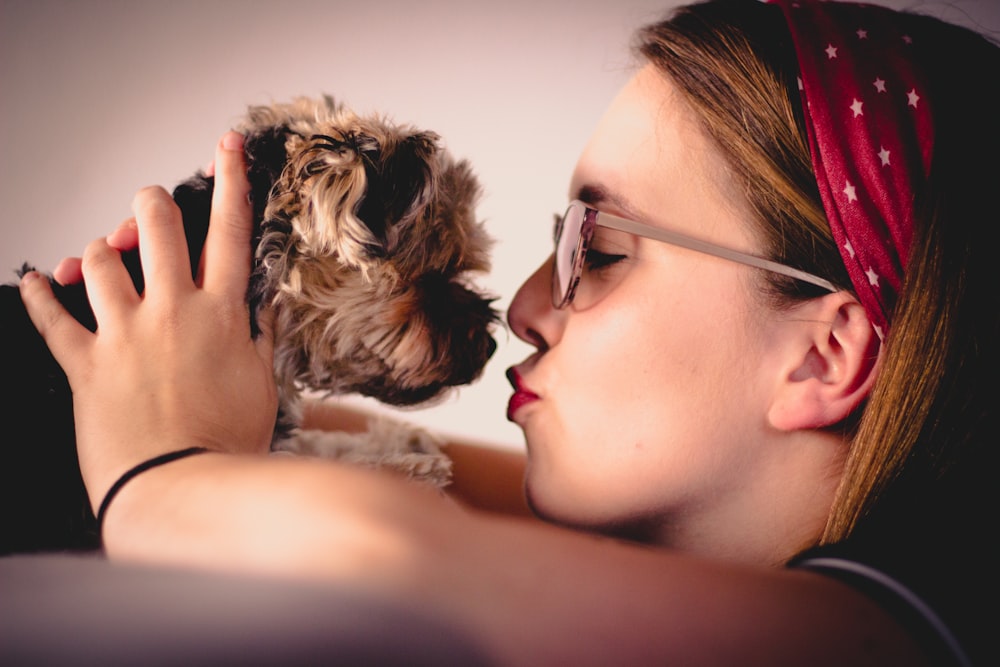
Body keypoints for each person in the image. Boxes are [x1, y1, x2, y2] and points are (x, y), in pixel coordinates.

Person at [17, 0, 997, 664]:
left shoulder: (907, 619)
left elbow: (393, 554)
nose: (526, 306)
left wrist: (164, 466)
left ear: (824, 353)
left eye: (601, 252)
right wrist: (184, 367)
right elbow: (409, 473)